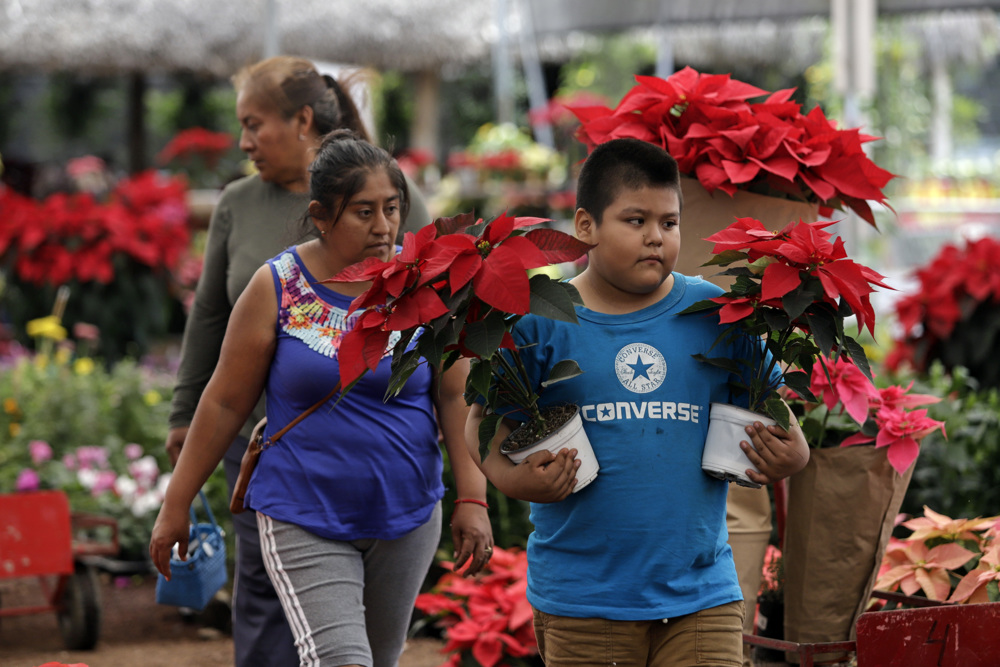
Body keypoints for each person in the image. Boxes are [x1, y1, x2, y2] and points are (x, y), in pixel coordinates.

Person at [152, 130, 493, 667]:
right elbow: (223, 403)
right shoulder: (277, 286)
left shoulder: (427, 285)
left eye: (392, 208)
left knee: (378, 661)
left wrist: (472, 498)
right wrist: (176, 504)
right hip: (301, 513)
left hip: (406, 516)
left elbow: (454, 395)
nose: (383, 227)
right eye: (363, 212)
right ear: (321, 215)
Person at [466, 137, 809, 666]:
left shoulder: (715, 313)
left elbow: (781, 418)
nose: (656, 238)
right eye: (635, 221)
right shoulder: (540, 320)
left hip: (702, 592)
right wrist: (513, 480)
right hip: (586, 598)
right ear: (585, 226)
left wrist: (792, 454)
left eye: (669, 223)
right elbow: (480, 424)